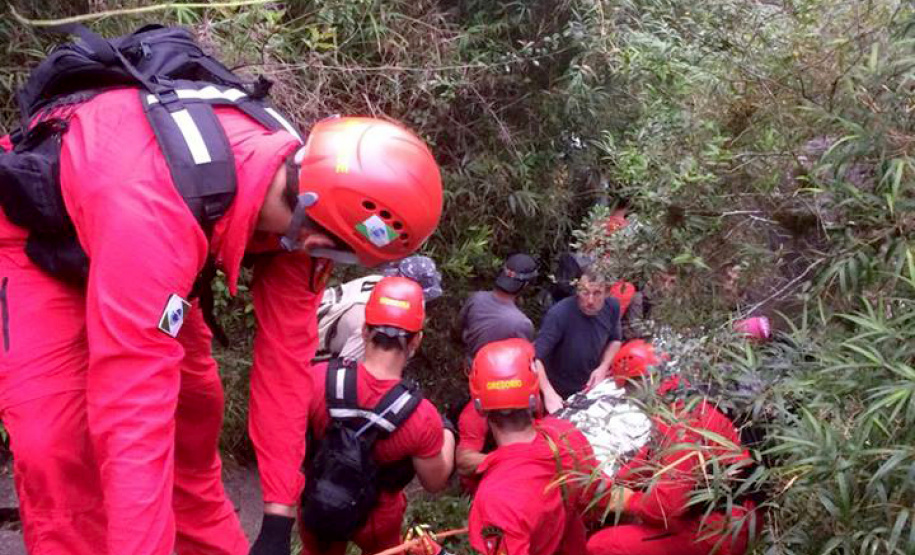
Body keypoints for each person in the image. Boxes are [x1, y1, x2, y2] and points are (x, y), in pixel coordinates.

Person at [0, 88, 443, 555]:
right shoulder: (157, 206)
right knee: (58, 448)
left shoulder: (302, 198)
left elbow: (286, 364)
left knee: (193, 411)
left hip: (156, 253)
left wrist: (278, 516)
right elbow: (132, 411)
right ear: (321, 240)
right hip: (41, 250)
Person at [298, 276, 456, 555]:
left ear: (364, 330)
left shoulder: (316, 379)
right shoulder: (422, 417)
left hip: (319, 498)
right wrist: (448, 432)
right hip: (377, 518)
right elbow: (434, 482)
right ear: (416, 340)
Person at [586, 342, 759, 555]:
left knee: (603, 545)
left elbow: (665, 507)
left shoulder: (680, 421)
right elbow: (650, 455)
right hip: (725, 514)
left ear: (640, 384)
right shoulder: (679, 399)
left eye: (628, 390)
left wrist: (627, 500)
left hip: (721, 529)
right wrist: (616, 484)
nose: (630, 400)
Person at [464, 338, 597, 555]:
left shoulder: (496, 500)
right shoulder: (566, 434)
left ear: (479, 405)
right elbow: (598, 494)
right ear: (534, 394)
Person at [313, 255, 443, 362]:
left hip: (317, 309)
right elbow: (345, 375)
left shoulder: (377, 280)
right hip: (316, 335)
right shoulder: (377, 319)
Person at [535, 268, 623, 398]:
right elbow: (535, 358)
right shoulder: (559, 314)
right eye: (585, 293)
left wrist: (603, 366)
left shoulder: (612, 307)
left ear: (607, 293)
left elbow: (615, 340)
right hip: (559, 390)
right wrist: (549, 393)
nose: (590, 301)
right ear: (577, 291)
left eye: (597, 293)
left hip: (591, 386)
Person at [459, 253, 538, 360]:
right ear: (526, 285)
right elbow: (524, 358)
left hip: (469, 363)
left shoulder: (476, 298)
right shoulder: (522, 323)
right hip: (494, 369)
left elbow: (458, 329)